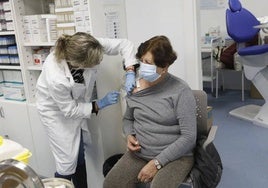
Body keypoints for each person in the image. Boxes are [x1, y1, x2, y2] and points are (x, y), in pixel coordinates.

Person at [36, 32, 138, 188]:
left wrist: (130, 71)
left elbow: (125, 43)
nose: (99, 62)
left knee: (79, 155)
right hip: (55, 111)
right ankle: (60, 183)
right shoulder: (56, 77)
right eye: (95, 62)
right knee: (67, 161)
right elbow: (69, 111)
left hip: (77, 104)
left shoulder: (89, 45)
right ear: (79, 64)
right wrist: (99, 104)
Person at [103, 35, 197, 188]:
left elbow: (189, 137)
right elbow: (128, 119)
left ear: (164, 67)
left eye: (148, 63)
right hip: (140, 153)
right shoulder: (134, 87)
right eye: (141, 61)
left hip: (175, 157)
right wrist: (129, 135)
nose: (143, 66)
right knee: (111, 184)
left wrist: (157, 163)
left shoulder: (180, 91)